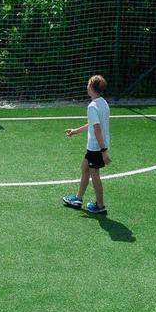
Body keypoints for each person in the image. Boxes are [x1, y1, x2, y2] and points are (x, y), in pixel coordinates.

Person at [62, 75, 111, 214]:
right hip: (96, 146)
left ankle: (100, 206)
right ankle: (78, 199)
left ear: (92, 88)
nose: (86, 86)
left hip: (96, 147)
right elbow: (92, 124)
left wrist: (103, 151)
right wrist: (76, 131)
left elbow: (97, 128)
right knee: (84, 168)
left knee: (94, 175)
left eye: (88, 84)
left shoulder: (92, 107)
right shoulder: (103, 103)